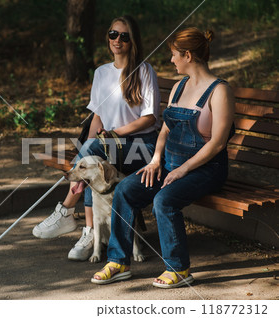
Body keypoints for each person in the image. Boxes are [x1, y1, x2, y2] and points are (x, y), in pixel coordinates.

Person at [91, 27, 235, 286]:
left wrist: (183, 169)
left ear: (188, 55)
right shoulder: (179, 87)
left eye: (174, 55)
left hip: (206, 169)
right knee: (125, 189)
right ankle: (119, 260)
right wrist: (156, 159)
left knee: (164, 199)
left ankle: (178, 268)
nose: (171, 60)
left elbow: (217, 144)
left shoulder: (219, 91)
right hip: (170, 164)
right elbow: (165, 129)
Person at [32, 16, 161, 261]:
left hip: (142, 146)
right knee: (94, 156)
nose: (118, 40)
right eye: (114, 34)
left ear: (133, 41)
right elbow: (98, 118)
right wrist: (87, 149)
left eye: (124, 36)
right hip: (109, 145)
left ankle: (67, 211)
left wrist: (113, 135)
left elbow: (150, 119)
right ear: (108, 36)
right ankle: (90, 231)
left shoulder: (143, 71)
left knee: (96, 152)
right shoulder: (101, 73)